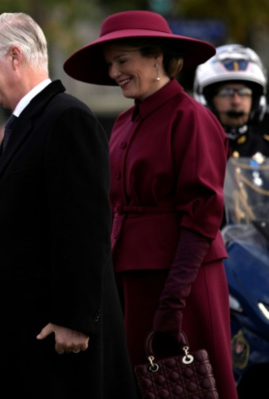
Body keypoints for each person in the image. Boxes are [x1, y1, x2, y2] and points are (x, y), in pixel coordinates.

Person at [0, 12, 138, 398]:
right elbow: (11, 224)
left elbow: (85, 227)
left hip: (55, 340)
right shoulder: (26, 124)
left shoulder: (67, 118)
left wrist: (75, 319)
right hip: (27, 335)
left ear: (15, 56)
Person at [63, 10, 238, 398]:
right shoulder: (124, 122)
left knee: (192, 386)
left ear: (156, 56)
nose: (114, 73)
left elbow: (202, 217)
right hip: (132, 282)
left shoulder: (192, 118)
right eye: (110, 65)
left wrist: (172, 304)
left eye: (123, 61)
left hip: (183, 283)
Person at [194, 44, 269, 158]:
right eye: (226, 93)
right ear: (208, 100)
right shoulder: (192, 148)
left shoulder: (266, 147)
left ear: (256, 100)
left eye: (244, 92)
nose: (236, 101)